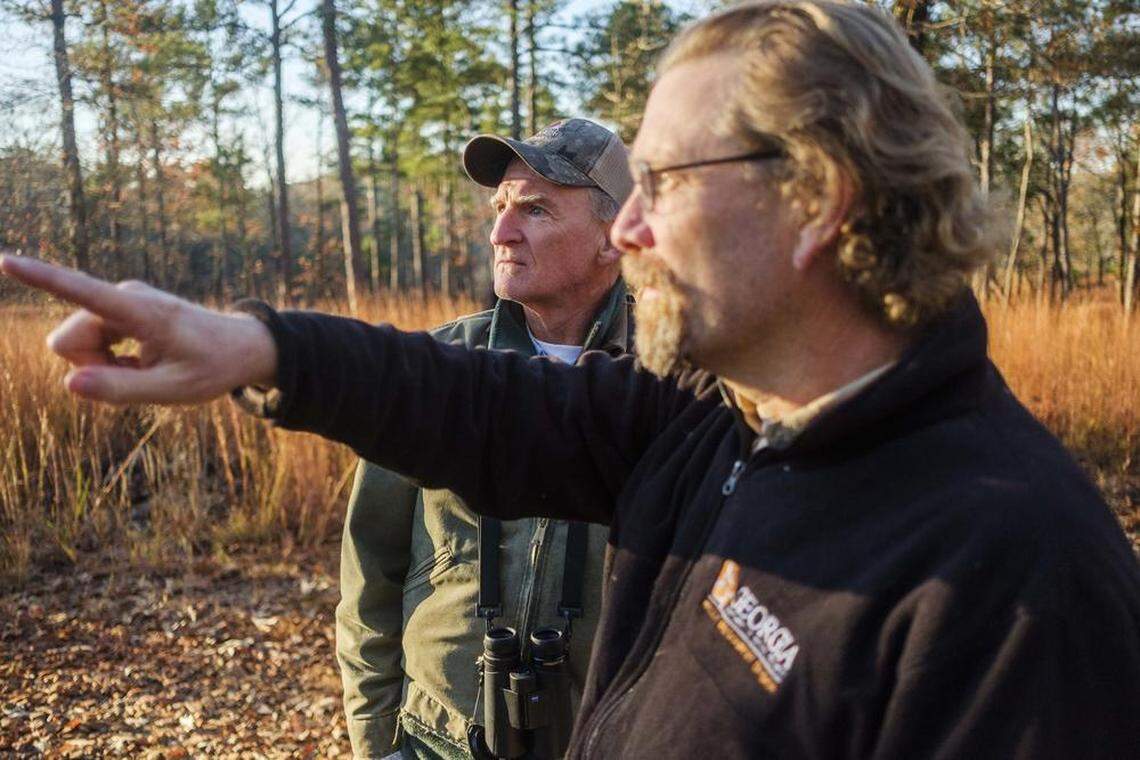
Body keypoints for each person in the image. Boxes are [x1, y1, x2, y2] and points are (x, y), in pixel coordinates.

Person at [4, 2, 1140, 758]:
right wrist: (261, 349)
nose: (631, 228)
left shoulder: (1017, 585)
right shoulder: (726, 418)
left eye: (662, 183)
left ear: (820, 200)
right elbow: (483, 403)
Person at [337, 118, 634, 760]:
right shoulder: (440, 368)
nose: (501, 233)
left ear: (613, 237)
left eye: (535, 209)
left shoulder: (672, 383)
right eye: (499, 207)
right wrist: (377, 741)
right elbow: (370, 576)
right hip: (435, 741)